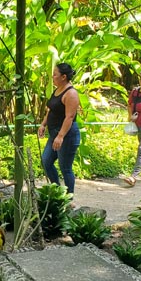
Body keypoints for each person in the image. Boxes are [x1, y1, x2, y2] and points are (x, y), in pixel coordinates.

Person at [38, 63, 81, 195]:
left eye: (55, 74)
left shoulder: (71, 93)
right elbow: (51, 109)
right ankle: (57, 191)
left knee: (65, 168)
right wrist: (43, 124)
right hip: (54, 133)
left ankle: (69, 196)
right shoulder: (57, 90)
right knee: (46, 161)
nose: (53, 76)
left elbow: (69, 117)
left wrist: (61, 136)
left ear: (63, 77)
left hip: (67, 135)